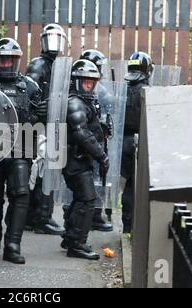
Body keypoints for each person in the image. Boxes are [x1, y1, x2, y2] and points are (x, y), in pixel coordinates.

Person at [0, 38, 45, 264]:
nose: (7, 64)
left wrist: (42, 113)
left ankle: (12, 244)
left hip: (21, 148)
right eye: (3, 59)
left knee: (20, 193)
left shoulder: (30, 86)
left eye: (11, 59)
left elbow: (39, 123)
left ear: (17, 60)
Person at [61, 60, 110, 260]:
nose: (89, 85)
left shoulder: (86, 102)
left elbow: (91, 129)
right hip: (75, 160)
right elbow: (81, 133)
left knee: (81, 199)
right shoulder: (75, 102)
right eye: (85, 82)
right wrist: (101, 155)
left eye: (92, 82)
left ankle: (70, 237)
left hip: (82, 159)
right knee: (88, 200)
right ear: (77, 82)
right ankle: (77, 244)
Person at [25, 23, 67, 235]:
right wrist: (39, 108)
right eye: (50, 37)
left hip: (49, 123)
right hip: (39, 125)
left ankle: (33, 217)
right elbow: (30, 91)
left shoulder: (57, 65)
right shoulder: (39, 64)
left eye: (57, 37)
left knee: (43, 169)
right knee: (44, 169)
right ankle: (41, 218)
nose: (54, 42)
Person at [79, 49, 114, 232]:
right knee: (87, 179)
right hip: (84, 143)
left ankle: (95, 215)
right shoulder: (78, 90)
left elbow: (105, 112)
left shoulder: (99, 91)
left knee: (98, 177)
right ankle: (88, 218)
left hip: (98, 140)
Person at [121, 52, 153, 234]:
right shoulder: (147, 91)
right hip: (139, 142)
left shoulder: (122, 89)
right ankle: (132, 227)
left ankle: (126, 226)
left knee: (127, 187)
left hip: (122, 143)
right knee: (135, 186)